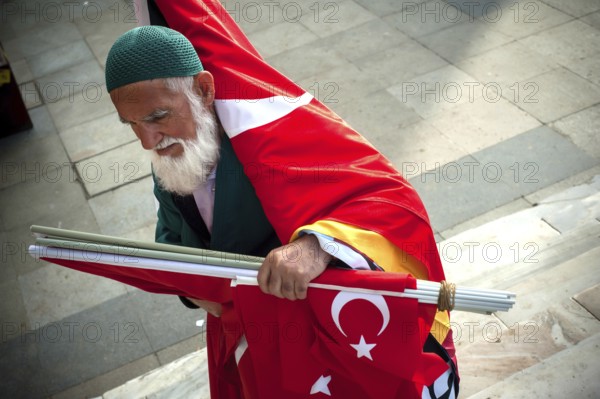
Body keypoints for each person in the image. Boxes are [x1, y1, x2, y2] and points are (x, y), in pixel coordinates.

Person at [105, 14, 458, 399]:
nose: (146, 141)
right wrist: (193, 289)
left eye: (158, 117)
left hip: (320, 340)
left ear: (204, 90)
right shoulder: (171, 156)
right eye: (132, 124)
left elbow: (390, 199)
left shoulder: (276, 137)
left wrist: (315, 246)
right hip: (248, 340)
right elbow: (170, 239)